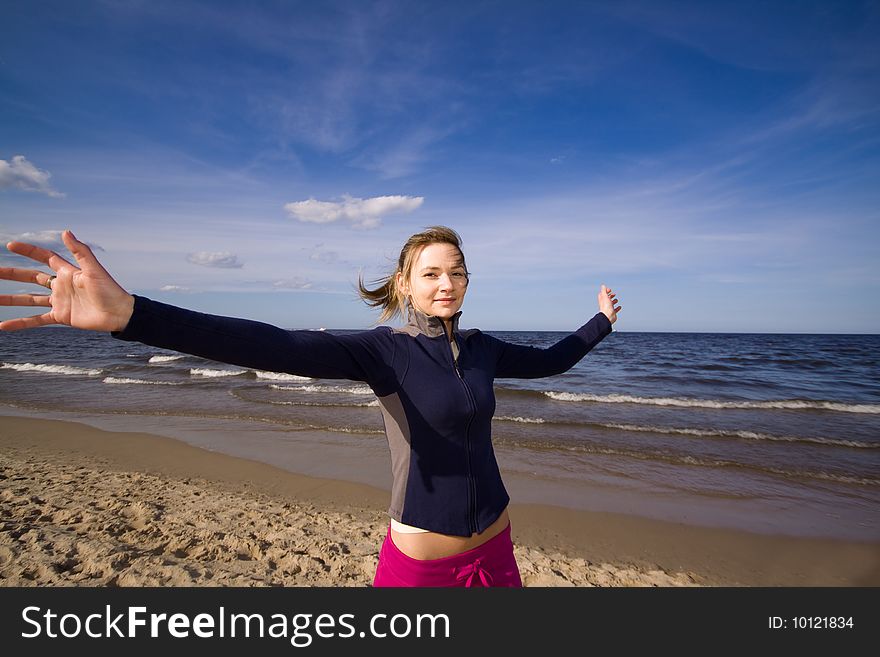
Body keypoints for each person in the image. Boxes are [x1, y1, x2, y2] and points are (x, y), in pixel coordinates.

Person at [0, 226, 621, 587]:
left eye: (456, 272)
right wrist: (134, 316)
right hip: (420, 569)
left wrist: (601, 322)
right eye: (431, 273)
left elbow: (553, 360)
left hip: (496, 551)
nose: (446, 284)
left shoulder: (484, 351)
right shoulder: (384, 353)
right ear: (406, 283)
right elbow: (273, 344)